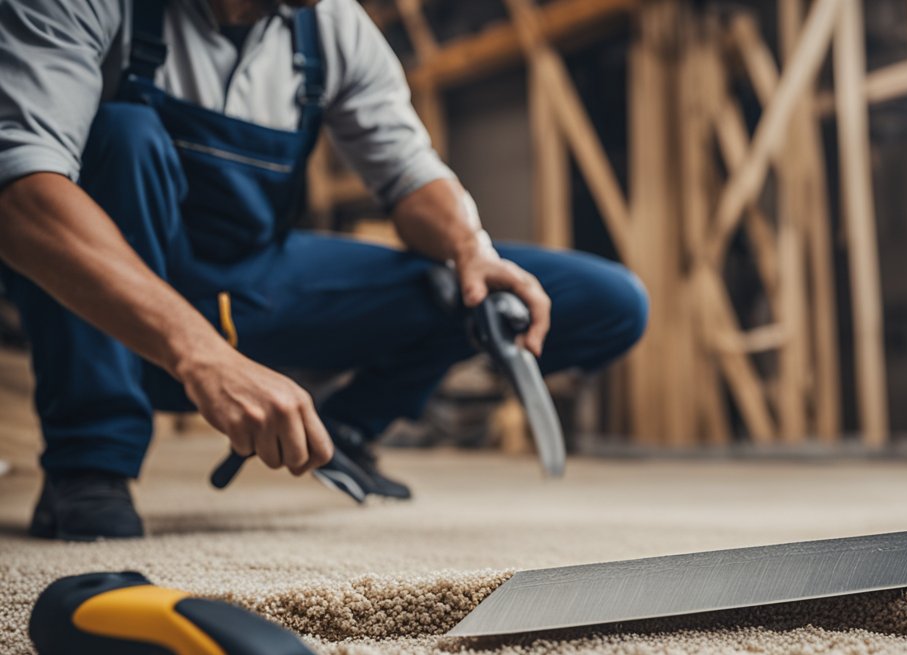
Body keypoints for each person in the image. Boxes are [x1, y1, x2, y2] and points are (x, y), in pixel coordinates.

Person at [0, 0, 649, 541]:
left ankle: (347, 429)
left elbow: (409, 172)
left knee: (601, 298)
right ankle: (89, 466)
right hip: (100, 317)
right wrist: (202, 356)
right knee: (122, 131)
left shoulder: (330, 25)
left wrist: (471, 249)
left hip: (252, 286)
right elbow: (20, 197)